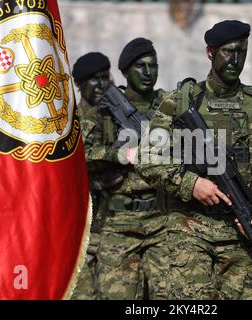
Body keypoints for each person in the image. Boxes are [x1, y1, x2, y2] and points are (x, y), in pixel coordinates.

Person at [136, 20, 252, 299]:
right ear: (210, 53)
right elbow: (147, 158)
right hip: (189, 233)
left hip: (240, 237)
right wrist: (191, 183)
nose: (235, 59)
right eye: (228, 52)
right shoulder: (181, 101)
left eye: (241, 52)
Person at [86, 38, 168, 299]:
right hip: (117, 224)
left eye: (152, 66)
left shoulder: (169, 107)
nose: (147, 73)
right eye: (139, 66)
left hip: (162, 224)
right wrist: (120, 153)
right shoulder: (104, 112)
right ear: (124, 72)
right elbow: (80, 156)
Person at [70, 52, 113, 300]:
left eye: (104, 78)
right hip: (81, 231)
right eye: (92, 80)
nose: (100, 85)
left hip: (115, 228)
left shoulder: (116, 119)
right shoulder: (69, 124)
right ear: (79, 84)